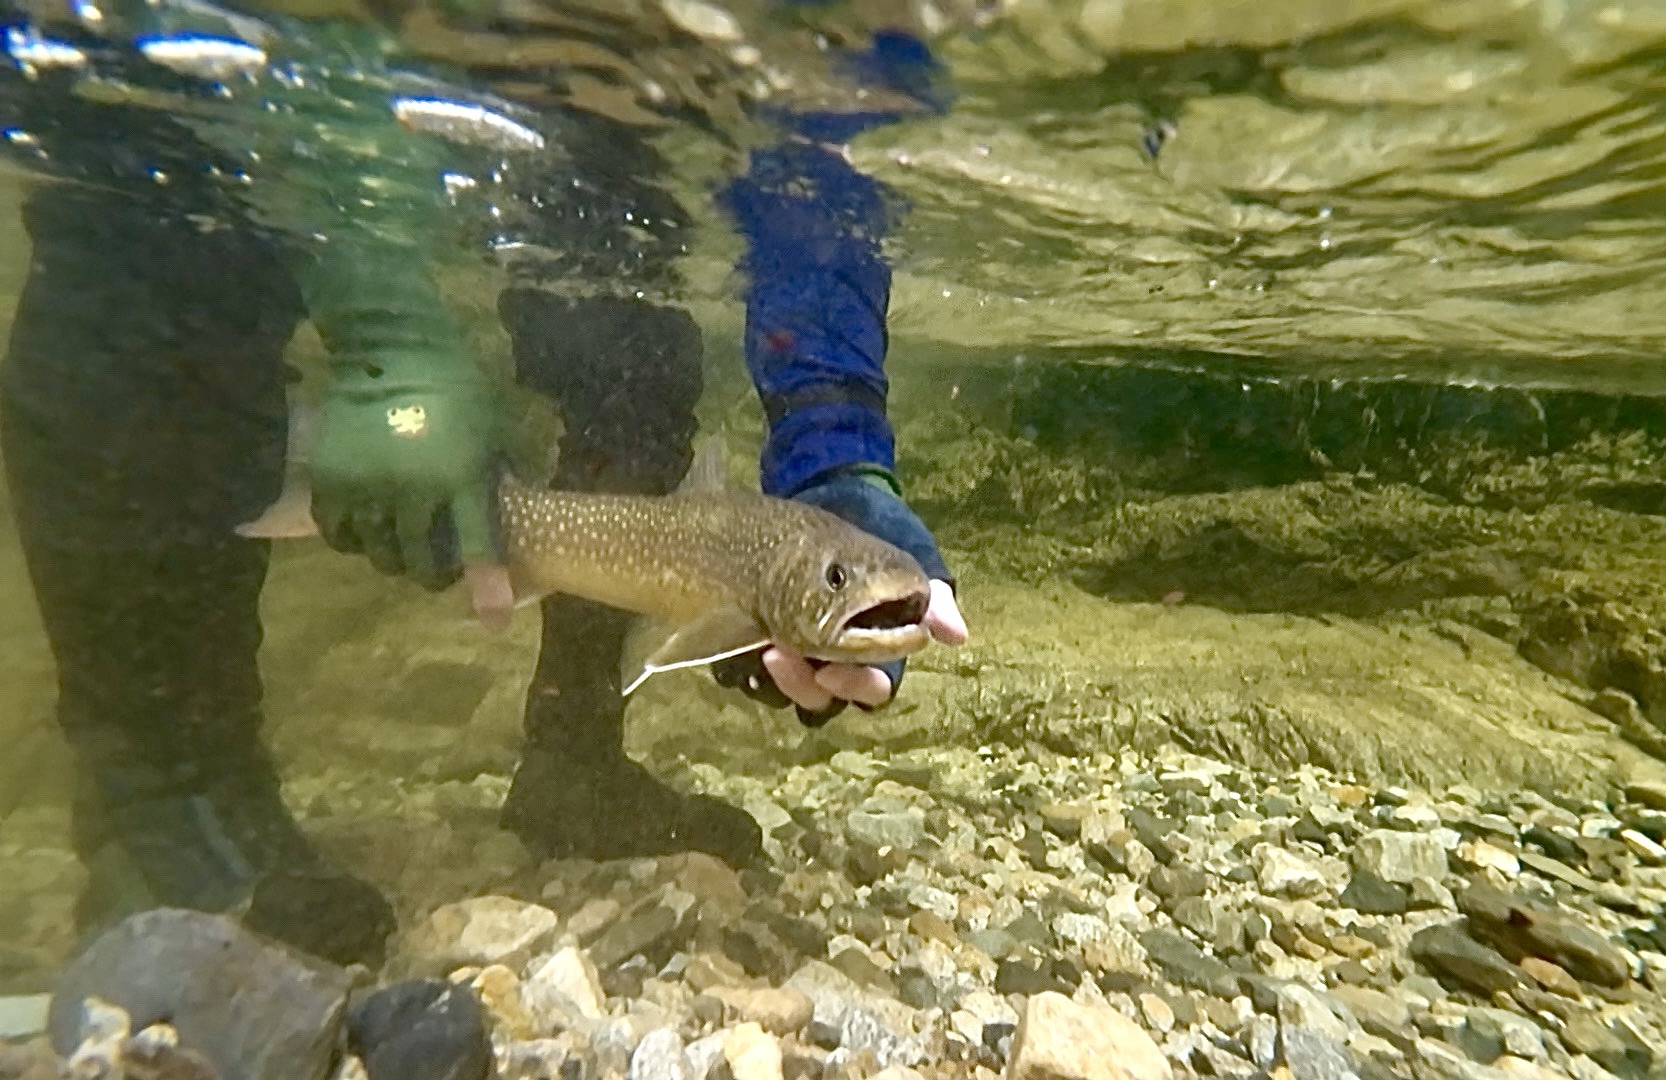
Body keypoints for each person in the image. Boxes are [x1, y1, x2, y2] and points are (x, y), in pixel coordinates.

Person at [0, 0, 967, 968]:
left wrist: (834, 444)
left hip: (581, 137)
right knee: (155, 246)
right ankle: (162, 792)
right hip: (246, 69)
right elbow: (316, 55)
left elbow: (817, 199)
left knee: (634, 357)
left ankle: (573, 756)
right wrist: (391, 338)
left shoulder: (804, 54)